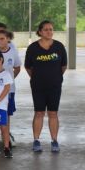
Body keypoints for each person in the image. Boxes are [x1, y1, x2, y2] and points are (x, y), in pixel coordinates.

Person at [24, 20, 67, 153]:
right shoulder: (33, 48)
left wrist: (54, 78)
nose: (49, 32)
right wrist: (37, 78)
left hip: (55, 86)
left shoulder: (59, 47)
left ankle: (54, 140)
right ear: (40, 32)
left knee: (53, 113)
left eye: (51, 29)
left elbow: (63, 66)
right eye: (46, 29)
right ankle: (36, 140)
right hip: (38, 86)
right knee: (39, 112)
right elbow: (28, 67)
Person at [0, 30, 21, 148]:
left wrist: (9, 81)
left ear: (8, 39)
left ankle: (6, 136)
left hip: (9, 90)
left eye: (2, 38)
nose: (0, 41)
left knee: (7, 113)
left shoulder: (13, 52)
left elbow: (17, 68)